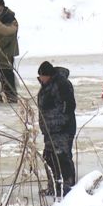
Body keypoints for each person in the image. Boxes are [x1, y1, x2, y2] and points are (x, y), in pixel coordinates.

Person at [37, 61, 77, 196]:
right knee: (49, 157)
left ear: (49, 75)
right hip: (49, 130)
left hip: (62, 129)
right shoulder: (45, 86)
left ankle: (68, 188)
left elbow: (69, 106)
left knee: (62, 156)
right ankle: (53, 186)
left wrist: (60, 123)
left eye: (42, 76)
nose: (41, 79)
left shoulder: (62, 84)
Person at [0, 0, 19, 103]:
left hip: (7, 50)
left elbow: (10, 34)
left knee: (7, 72)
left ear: (2, 6)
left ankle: (11, 95)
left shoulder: (9, 17)